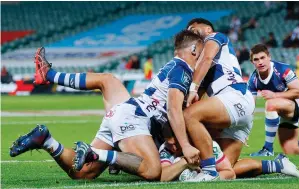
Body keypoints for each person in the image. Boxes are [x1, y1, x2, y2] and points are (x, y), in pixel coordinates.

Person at [9, 30, 204, 181]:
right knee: (152, 170)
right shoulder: (184, 70)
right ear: (194, 50)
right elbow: (172, 108)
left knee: (84, 173)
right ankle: (95, 153)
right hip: (135, 119)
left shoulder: (171, 65)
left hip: (126, 113)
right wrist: (186, 147)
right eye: (202, 53)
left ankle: (47, 141)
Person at [183, 18, 255, 181]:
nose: (190, 31)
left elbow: (207, 59)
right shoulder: (203, 66)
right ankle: (277, 165)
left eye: (194, 28)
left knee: (189, 116)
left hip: (235, 96)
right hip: (237, 106)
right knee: (226, 167)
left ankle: (208, 172)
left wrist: (192, 88)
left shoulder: (215, 37)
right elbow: (197, 97)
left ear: (208, 29)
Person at [247, 44, 299, 157]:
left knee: (271, 104)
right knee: (292, 150)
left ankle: (268, 149)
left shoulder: (282, 70)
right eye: (256, 59)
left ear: (269, 57)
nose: (260, 62)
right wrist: (244, 130)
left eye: (263, 58)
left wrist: (275, 95)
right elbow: (250, 107)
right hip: (282, 111)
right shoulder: (253, 80)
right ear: (252, 62)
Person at [159, 124, 235, 181]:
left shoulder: (207, 145)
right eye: (170, 144)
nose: (174, 148)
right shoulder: (165, 148)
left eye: (176, 143)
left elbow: (230, 173)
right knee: (177, 161)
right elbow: (163, 176)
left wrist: (203, 179)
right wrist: (185, 162)